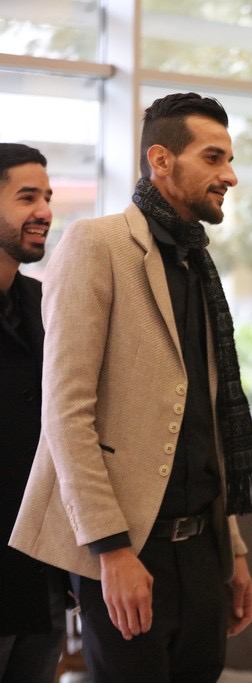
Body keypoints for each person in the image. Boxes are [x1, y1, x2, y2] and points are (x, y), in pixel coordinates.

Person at [11, 92, 252, 682]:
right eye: (213, 157)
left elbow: (204, 419)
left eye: (229, 159)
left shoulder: (198, 263)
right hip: (127, 549)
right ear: (161, 160)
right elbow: (66, 412)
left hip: (204, 550)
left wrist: (233, 549)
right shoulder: (95, 245)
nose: (229, 175)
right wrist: (111, 551)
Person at [0, 143, 68, 682]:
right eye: (27, 197)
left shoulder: (43, 303)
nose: (44, 211)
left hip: (41, 572)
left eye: (47, 197)